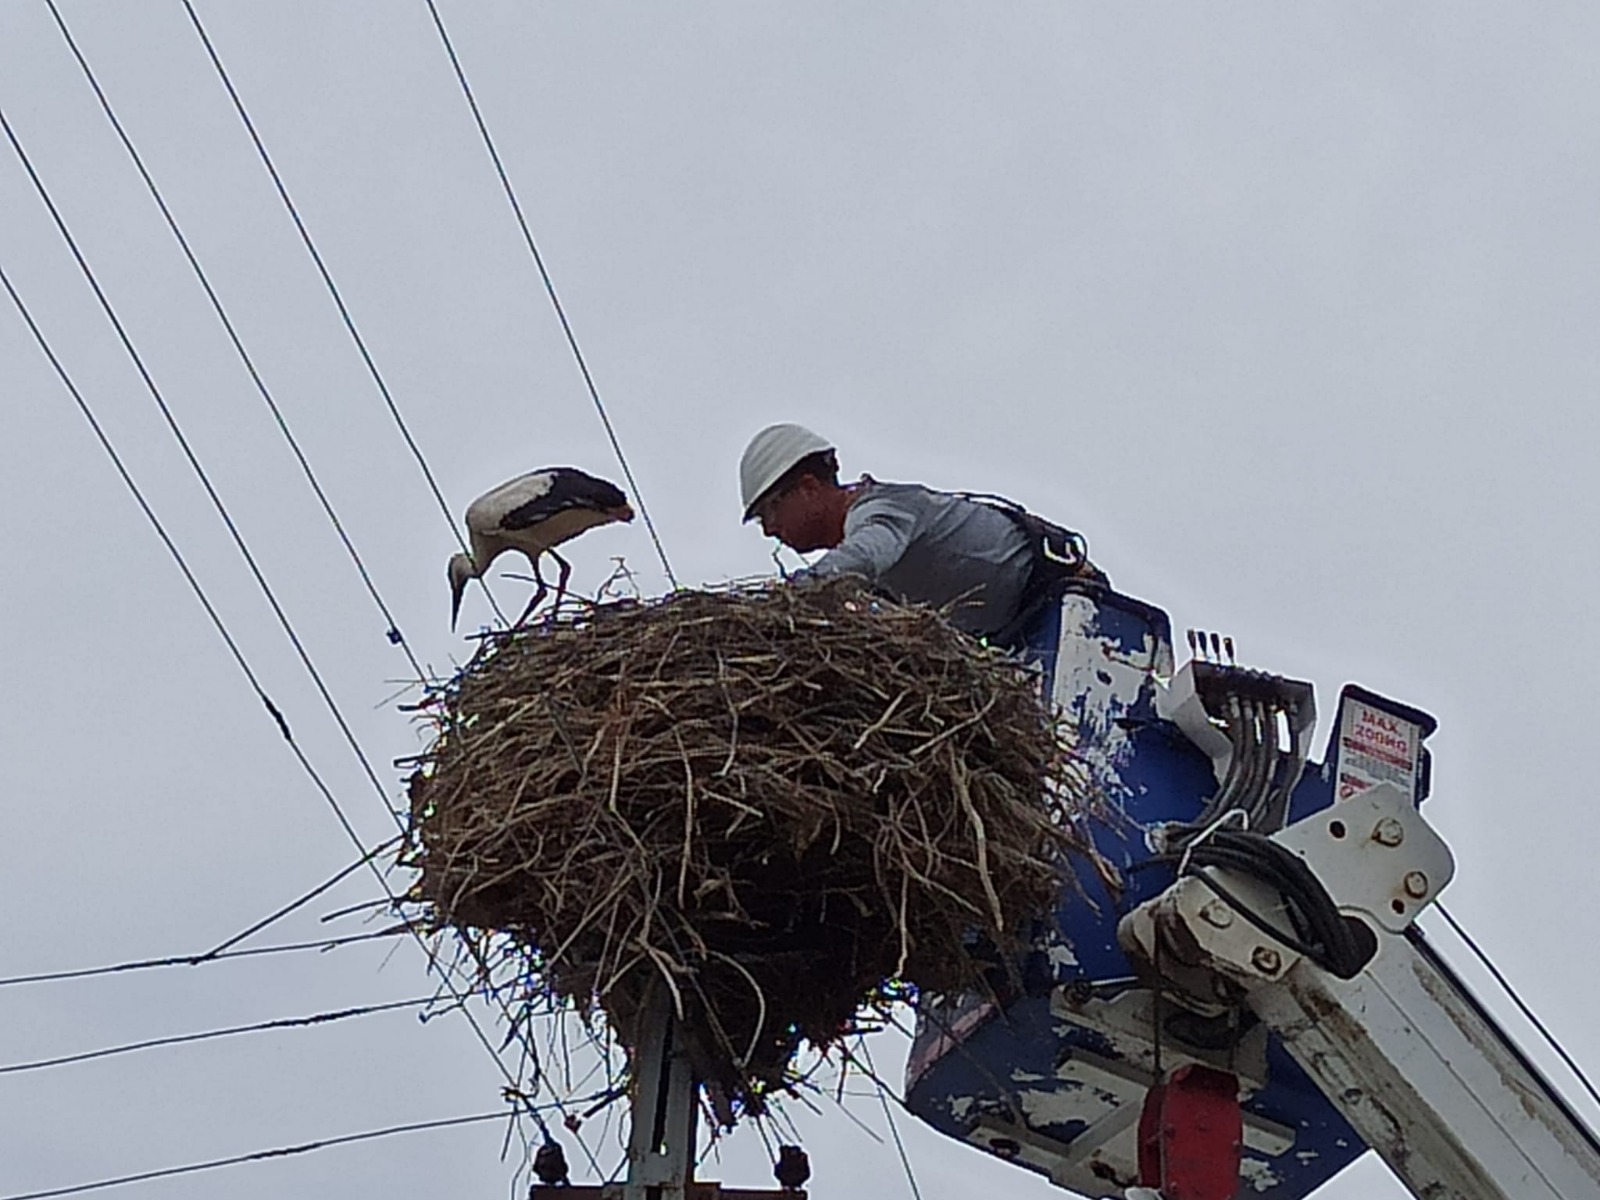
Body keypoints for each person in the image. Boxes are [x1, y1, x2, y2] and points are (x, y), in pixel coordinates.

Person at [739, 423, 1104, 648]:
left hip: (1073, 604)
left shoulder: (881, 511)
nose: (770, 529)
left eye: (770, 511)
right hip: (1024, 634)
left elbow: (864, 555)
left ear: (806, 487)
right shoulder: (878, 576)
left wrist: (791, 595)